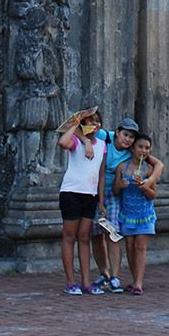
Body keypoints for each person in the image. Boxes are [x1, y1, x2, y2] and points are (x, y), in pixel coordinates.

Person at [91, 119, 163, 294]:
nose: (127, 139)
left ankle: (118, 277)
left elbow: (158, 165)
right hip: (96, 191)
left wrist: (147, 183)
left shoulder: (137, 156)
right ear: (117, 132)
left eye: (132, 137)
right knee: (96, 234)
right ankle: (104, 273)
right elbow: (85, 129)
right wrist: (86, 141)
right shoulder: (105, 138)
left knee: (113, 233)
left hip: (124, 202)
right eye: (125, 135)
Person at [56, 107, 106, 295]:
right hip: (71, 191)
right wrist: (79, 129)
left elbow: (101, 175)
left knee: (84, 237)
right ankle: (71, 281)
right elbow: (62, 141)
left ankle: (86, 281)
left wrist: (100, 201)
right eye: (90, 121)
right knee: (69, 236)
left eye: (96, 121)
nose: (94, 124)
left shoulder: (102, 144)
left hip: (90, 194)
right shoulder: (76, 141)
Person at [113, 132, 158, 295]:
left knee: (140, 246)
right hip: (128, 214)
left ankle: (139, 282)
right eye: (140, 147)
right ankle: (134, 279)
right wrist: (121, 184)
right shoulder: (122, 167)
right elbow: (115, 190)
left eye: (147, 148)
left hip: (144, 214)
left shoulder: (149, 170)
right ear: (132, 148)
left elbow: (153, 195)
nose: (143, 151)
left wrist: (145, 186)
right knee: (130, 247)